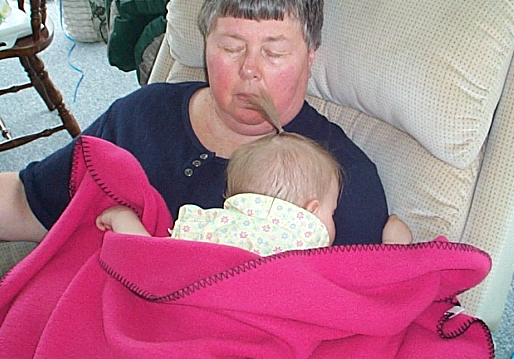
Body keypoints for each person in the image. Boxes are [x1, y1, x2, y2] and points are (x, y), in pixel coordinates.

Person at [0, 0, 390, 247]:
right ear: (206, 43)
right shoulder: (145, 114)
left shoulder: (339, 181)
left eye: (274, 52)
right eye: (231, 46)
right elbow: (31, 200)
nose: (249, 68)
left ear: (310, 55)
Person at [96, 93, 343, 254]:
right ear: (312, 209)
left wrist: (123, 219)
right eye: (330, 213)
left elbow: (150, 258)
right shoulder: (307, 244)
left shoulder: (212, 227)